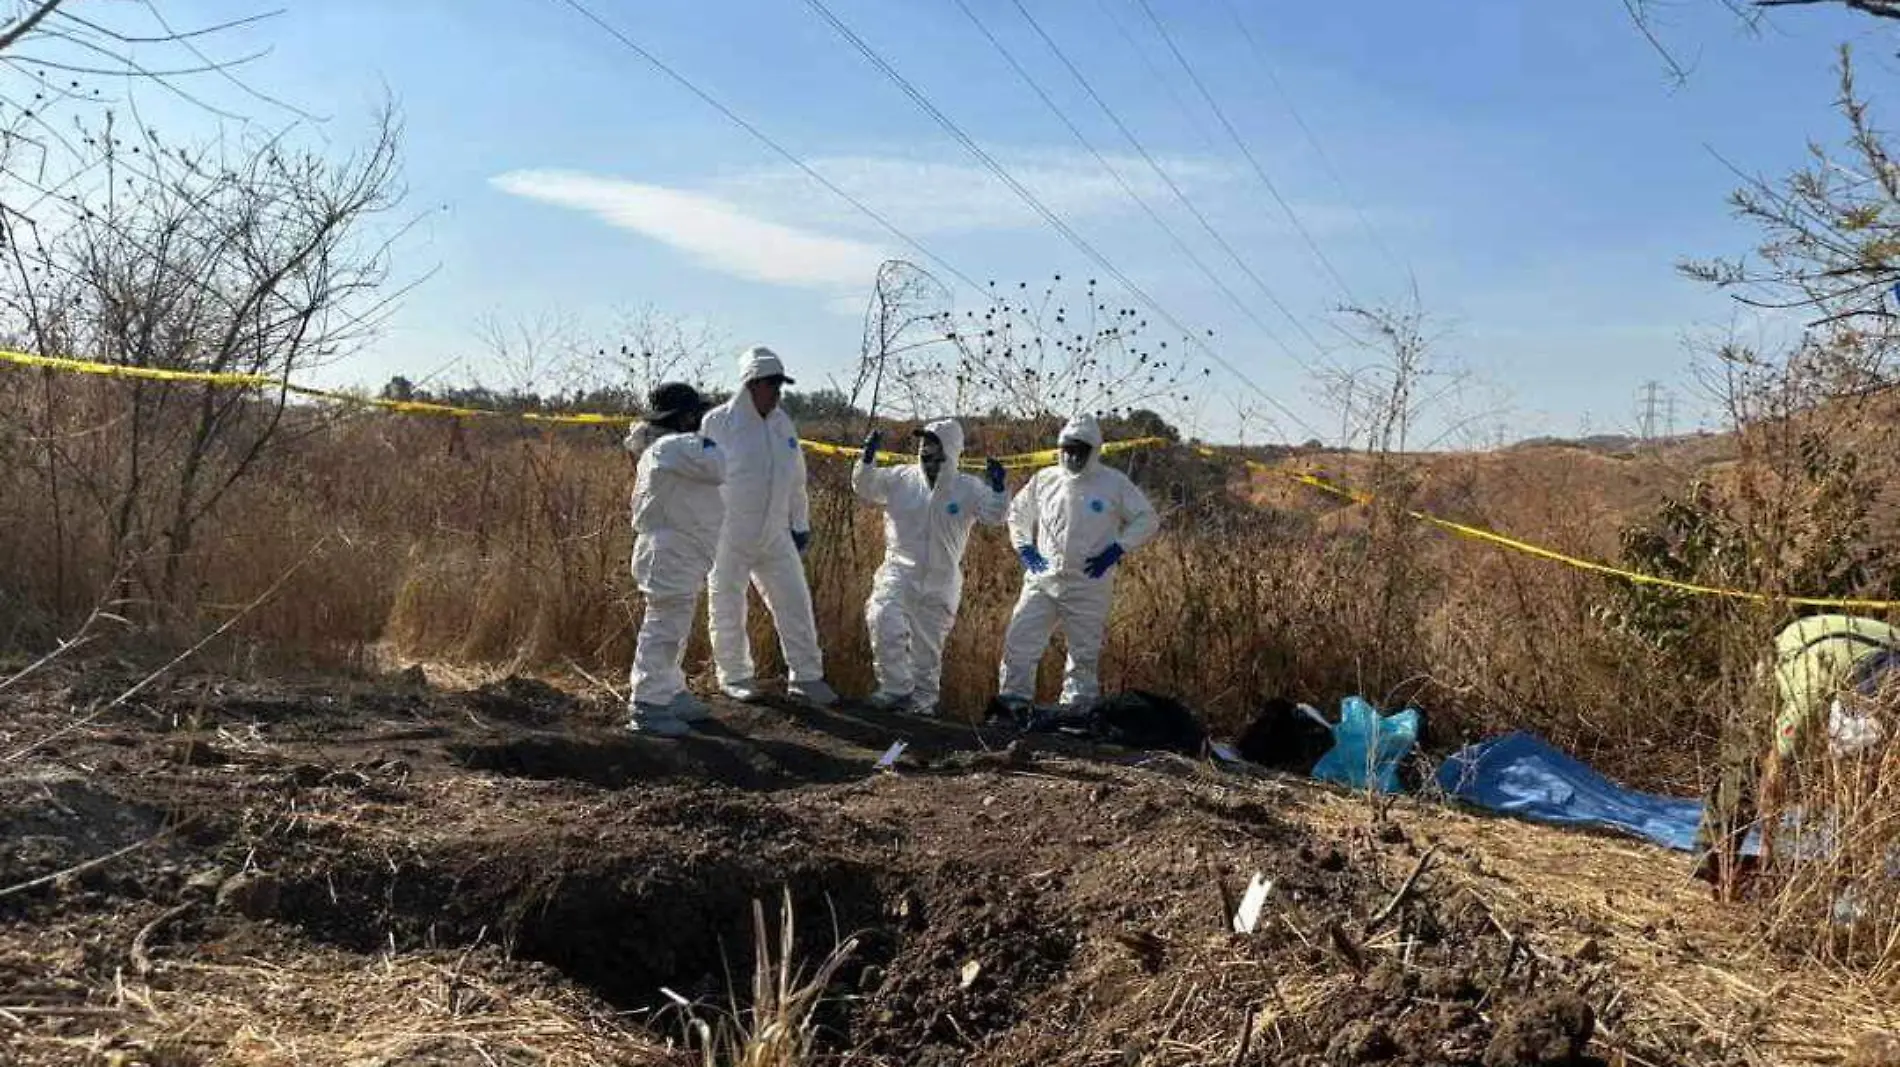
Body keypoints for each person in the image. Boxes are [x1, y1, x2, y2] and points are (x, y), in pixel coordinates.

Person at [1695, 613, 1900, 899]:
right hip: (1792, 651)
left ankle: (1850, 867)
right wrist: (1769, 849)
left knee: (1866, 763)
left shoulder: (1890, 686)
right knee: (1747, 764)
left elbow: (1875, 773)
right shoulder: (1814, 691)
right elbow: (1776, 769)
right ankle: (1715, 863)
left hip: (1858, 650)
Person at [699, 346, 838, 707]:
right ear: (751, 384)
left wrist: (799, 521)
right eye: (771, 385)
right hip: (730, 532)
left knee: (795, 601)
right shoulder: (719, 423)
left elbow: (796, 478)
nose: (777, 393)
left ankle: (806, 677)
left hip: (775, 532)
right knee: (727, 603)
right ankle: (734, 676)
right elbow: (703, 476)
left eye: (780, 386)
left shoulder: (782, 424)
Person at [997, 413, 1159, 710]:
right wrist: (1024, 547)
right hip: (1042, 580)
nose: (1072, 456)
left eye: (1079, 450)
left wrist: (1117, 549)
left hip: (1088, 583)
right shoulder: (1044, 480)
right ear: (1060, 448)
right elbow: (1017, 513)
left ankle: (1075, 713)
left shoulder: (1113, 484)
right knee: (1019, 642)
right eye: (1067, 449)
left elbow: (1147, 518)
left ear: (1094, 451)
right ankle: (1012, 704)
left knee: (1083, 655)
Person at [853, 418, 1008, 717]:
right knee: (883, 617)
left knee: (927, 652)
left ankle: (921, 710)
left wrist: (999, 489)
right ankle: (894, 689)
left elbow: (994, 515)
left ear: (951, 453)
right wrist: (866, 460)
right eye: (925, 450)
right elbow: (865, 486)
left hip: (941, 580)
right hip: (898, 571)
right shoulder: (901, 479)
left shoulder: (967, 488)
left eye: (937, 452)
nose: (929, 458)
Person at [624, 382, 724, 737]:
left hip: (679, 549)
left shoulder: (672, 447)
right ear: (686, 417)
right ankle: (648, 703)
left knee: (674, 626)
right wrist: (719, 434)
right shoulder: (675, 446)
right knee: (665, 628)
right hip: (671, 550)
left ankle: (670, 690)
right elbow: (719, 467)